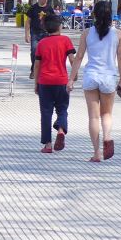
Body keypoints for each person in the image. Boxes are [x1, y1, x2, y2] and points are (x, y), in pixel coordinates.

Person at [70, 1, 121, 162]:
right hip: (109, 77)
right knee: (106, 114)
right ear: (110, 15)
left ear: (94, 15)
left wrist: (71, 79)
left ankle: (96, 153)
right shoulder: (118, 34)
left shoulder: (87, 33)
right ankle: (107, 137)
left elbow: (79, 57)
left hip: (91, 76)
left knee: (93, 117)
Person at [34, 14, 76, 154]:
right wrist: (74, 76)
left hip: (45, 81)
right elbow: (72, 59)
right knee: (62, 109)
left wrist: (36, 83)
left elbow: (37, 65)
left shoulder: (41, 43)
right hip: (62, 81)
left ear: (46, 28)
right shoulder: (66, 40)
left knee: (46, 113)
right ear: (59, 27)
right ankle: (61, 130)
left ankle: (48, 145)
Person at [25, 0, 54, 80]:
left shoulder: (49, 9)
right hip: (35, 33)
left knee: (46, 53)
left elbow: (53, 21)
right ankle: (34, 70)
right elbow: (28, 22)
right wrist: (26, 34)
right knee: (34, 51)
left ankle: (45, 70)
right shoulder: (33, 8)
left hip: (46, 34)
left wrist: (54, 34)